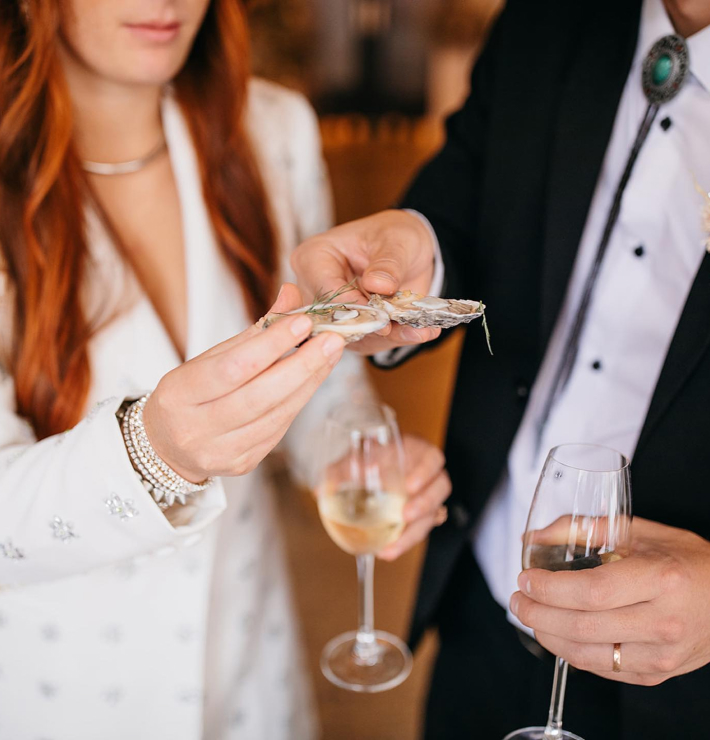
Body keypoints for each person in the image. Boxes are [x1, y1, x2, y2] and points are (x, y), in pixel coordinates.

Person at [0, 1, 451, 738]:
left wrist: (348, 456)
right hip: (60, 687)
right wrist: (156, 455)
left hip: (251, 659)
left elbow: (318, 372)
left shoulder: (271, 130)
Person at [292, 0, 710, 737]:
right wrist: (409, 246)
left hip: (685, 685)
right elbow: (464, 192)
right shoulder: (547, 17)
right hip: (488, 596)